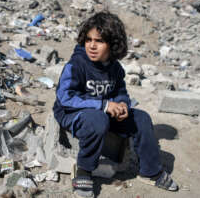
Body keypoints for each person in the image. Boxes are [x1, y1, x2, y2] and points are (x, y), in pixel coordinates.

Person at [53, 11, 178, 197]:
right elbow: (65, 97)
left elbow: (120, 92)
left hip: (104, 111)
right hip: (74, 112)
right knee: (97, 120)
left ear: (113, 45)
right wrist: (103, 105)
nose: (92, 46)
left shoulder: (115, 69)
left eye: (99, 41)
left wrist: (122, 105)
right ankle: (84, 171)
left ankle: (151, 171)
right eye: (88, 40)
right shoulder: (76, 65)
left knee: (142, 118)